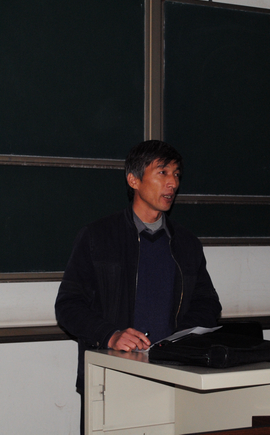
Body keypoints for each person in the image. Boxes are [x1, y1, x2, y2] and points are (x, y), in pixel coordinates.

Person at [54, 140, 221, 431]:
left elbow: (207, 305)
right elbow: (69, 305)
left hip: (175, 379)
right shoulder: (98, 236)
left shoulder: (186, 243)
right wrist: (110, 335)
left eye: (177, 174)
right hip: (111, 379)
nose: (172, 183)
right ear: (133, 180)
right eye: (163, 172)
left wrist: (178, 343)